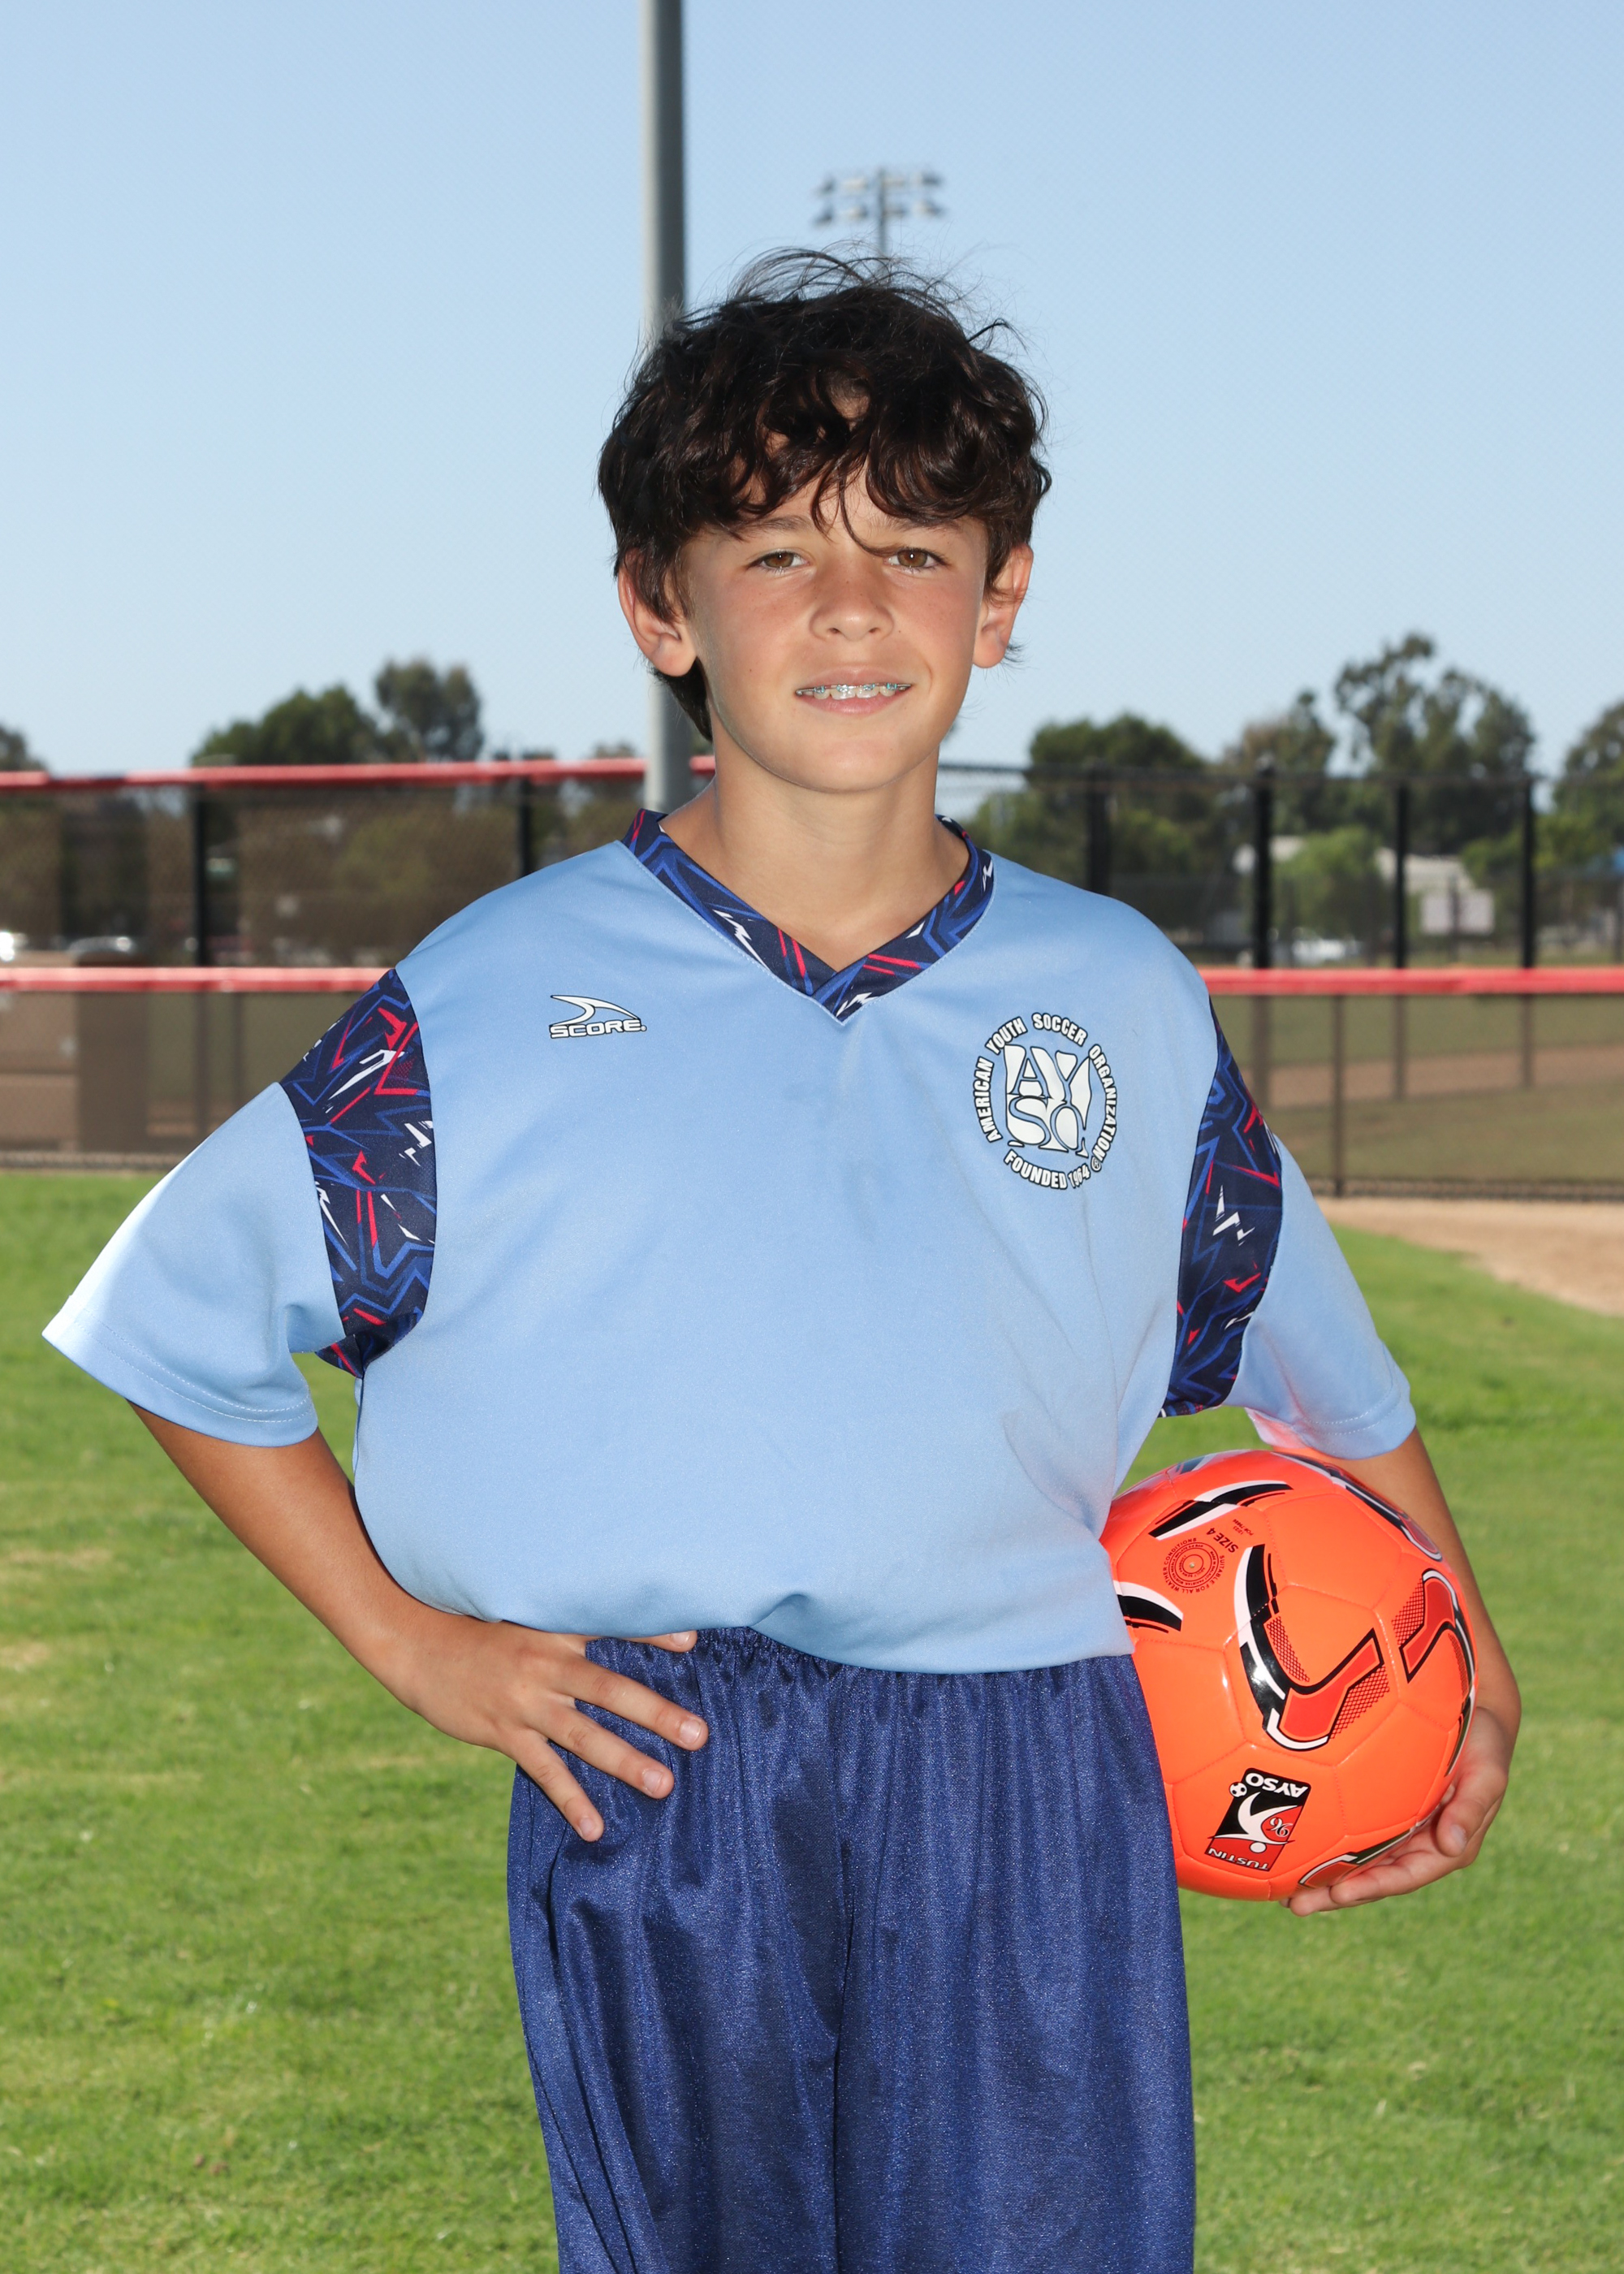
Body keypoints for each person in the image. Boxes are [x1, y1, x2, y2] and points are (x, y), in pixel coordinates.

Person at [45, 253, 1518, 2274]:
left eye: (913, 550)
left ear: (1000, 597)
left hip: (1032, 1752)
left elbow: (1311, 1368)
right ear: (661, 606)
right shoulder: (499, 992)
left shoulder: (1115, 990)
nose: (848, 605)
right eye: (773, 551)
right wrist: (411, 1641)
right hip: (671, 1764)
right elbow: (180, 1320)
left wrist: (1461, 1660)